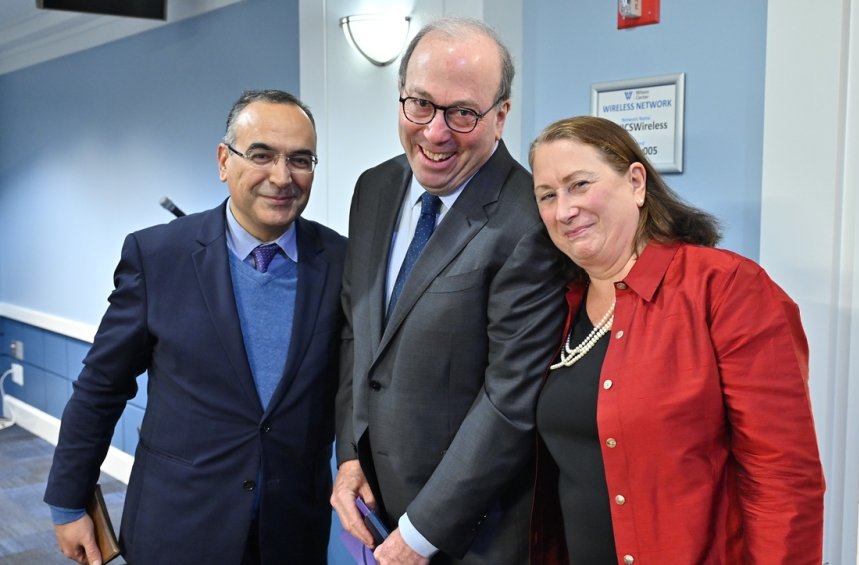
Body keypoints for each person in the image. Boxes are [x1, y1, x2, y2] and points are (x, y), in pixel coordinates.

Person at [44, 89, 347, 565]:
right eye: (262, 155)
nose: (282, 177)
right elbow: (102, 386)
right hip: (178, 524)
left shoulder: (343, 263)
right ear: (224, 161)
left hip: (291, 529)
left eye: (301, 159)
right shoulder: (157, 256)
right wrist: (68, 501)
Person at [526, 115, 826, 564]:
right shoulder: (559, 306)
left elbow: (783, 478)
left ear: (635, 182)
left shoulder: (726, 287)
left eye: (579, 184)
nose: (563, 210)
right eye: (547, 195)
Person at [331, 17, 566, 565]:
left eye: (463, 113)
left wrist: (420, 534)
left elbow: (510, 400)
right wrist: (349, 455)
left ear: (501, 115)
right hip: (374, 507)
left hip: (471, 533)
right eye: (420, 105)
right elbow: (357, 335)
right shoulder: (373, 188)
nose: (436, 133)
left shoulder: (528, 217)